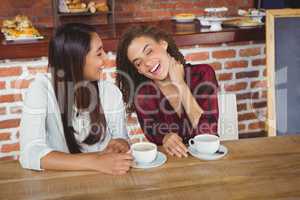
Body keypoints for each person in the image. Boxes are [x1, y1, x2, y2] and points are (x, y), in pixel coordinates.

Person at [19, 23, 133, 175]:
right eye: (99, 53)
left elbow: (122, 136)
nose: (106, 58)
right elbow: (30, 153)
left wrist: (120, 143)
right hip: (61, 183)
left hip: (105, 179)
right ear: (76, 60)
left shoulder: (110, 92)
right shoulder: (41, 90)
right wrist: (95, 161)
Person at [116, 25, 219, 158]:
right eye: (138, 63)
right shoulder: (144, 96)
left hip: (208, 161)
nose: (147, 63)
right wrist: (165, 138)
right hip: (172, 166)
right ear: (139, 70)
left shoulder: (202, 74)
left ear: (163, 44)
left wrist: (180, 85)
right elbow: (155, 137)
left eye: (149, 52)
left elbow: (208, 132)